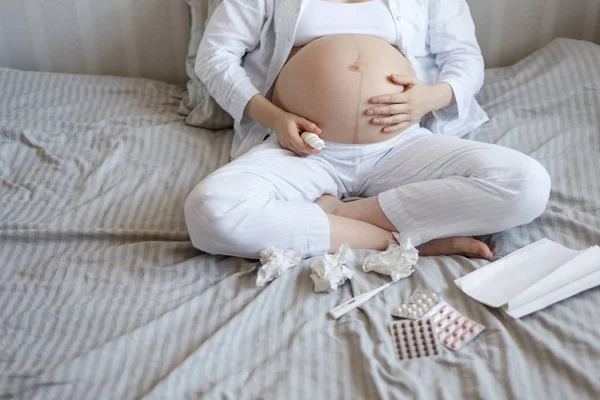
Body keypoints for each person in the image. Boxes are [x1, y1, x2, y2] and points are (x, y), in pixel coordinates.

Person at [184, 0, 551, 260]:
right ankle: (401, 241)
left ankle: (344, 218)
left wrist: (429, 98)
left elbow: (465, 59)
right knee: (210, 211)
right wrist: (274, 118)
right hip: (303, 149)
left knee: (527, 184)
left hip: (401, 145)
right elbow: (215, 57)